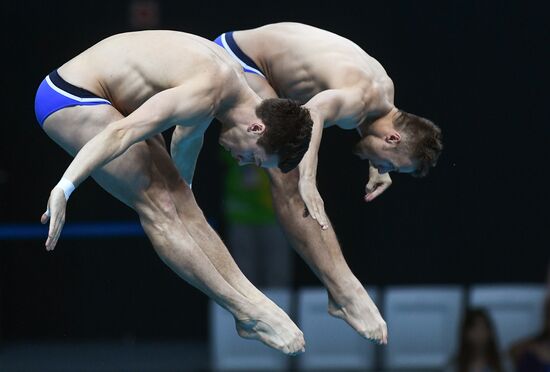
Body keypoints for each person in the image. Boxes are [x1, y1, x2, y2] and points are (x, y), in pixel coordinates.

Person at [35, 30, 313, 355]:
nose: (245, 163)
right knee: (158, 203)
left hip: (112, 100)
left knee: (182, 200)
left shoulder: (229, 91)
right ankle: (248, 311)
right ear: (256, 128)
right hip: (69, 97)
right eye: (256, 157)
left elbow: (186, 139)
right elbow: (120, 132)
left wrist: (187, 201)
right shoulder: (207, 91)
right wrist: (64, 188)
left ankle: (251, 303)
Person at [214, 22, 444, 344]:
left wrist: (379, 165)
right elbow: (314, 110)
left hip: (265, 64)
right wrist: (308, 180)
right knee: (288, 174)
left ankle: (342, 289)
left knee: (291, 165)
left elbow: (359, 119)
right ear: (392, 138)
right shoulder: (360, 100)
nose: (382, 168)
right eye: (389, 163)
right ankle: (345, 292)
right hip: (239, 58)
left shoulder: (384, 94)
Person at [220, 149, 293, 288]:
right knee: (243, 273)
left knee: (277, 273)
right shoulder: (230, 132)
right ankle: (245, 307)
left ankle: (279, 308)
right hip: (241, 215)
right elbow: (225, 152)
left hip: (274, 214)